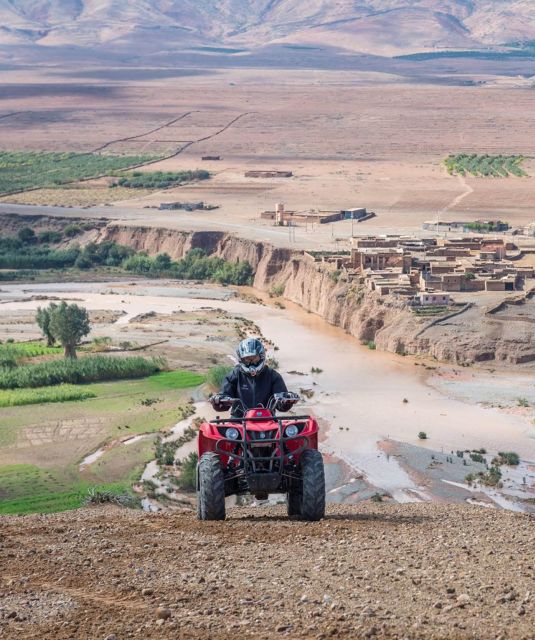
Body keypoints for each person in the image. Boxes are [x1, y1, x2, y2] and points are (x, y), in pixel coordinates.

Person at [213, 338, 290, 416]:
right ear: (241, 359)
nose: (251, 362)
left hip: (267, 420)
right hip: (239, 421)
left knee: (291, 427)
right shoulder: (234, 375)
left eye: (254, 358)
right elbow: (223, 402)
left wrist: (287, 400)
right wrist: (218, 401)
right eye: (247, 359)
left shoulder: (273, 375)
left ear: (261, 356)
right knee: (212, 428)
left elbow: (282, 407)